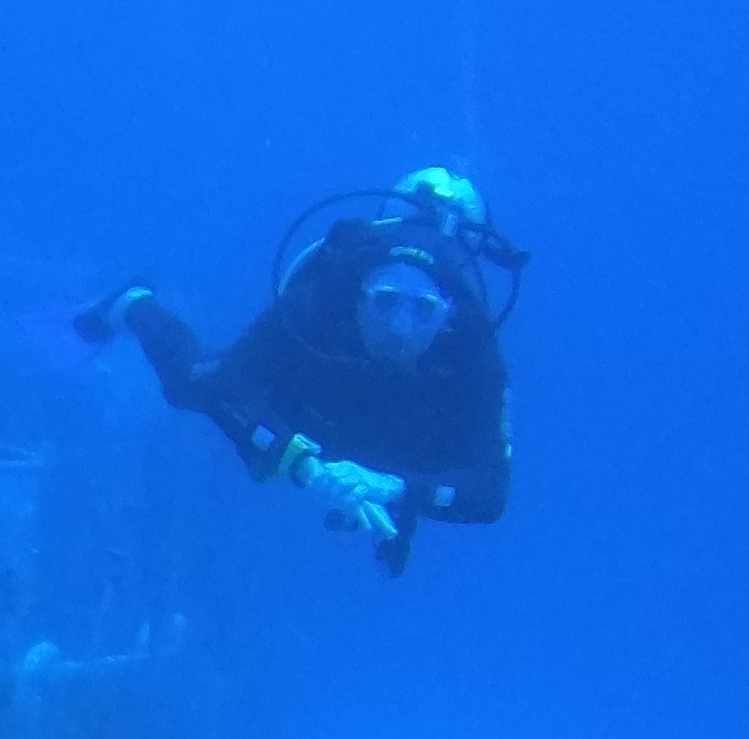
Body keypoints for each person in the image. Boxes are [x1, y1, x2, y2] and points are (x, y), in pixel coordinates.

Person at [77, 167, 518, 577]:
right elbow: (230, 383)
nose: (401, 329)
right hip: (307, 401)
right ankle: (134, 303)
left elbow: (490, 489)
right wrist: (302, 464)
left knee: (414, 458)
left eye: (424, 310)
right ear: (360, 295)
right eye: (386, 301)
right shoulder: (323, 296)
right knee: (191, 381)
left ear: (450, 312)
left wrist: (400, 491)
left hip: (397, 450)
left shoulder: (474, 348)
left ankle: (381, 502)